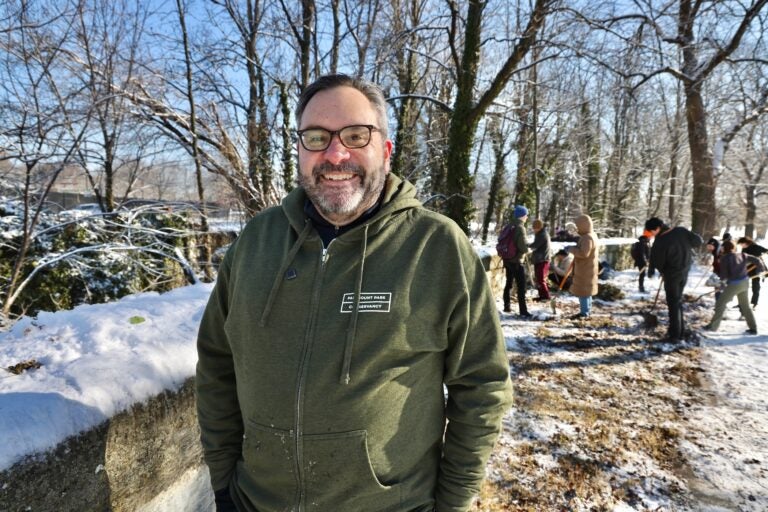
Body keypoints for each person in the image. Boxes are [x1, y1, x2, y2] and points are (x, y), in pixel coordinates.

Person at [196, 74, 513, 512]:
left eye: (355, 135)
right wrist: (225, 482)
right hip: (256, 502)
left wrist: (453, 502)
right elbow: (217, 363)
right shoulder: (256, 242)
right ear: (300, 151)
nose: (335, 153)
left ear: (385, 149)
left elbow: (482, 385)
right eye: (316, 137)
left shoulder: (435, 246)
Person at [645, 217, 703, 341]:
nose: (651, 234)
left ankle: (674, 334)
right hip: (685, 271)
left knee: (673, 303)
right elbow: (698, 242)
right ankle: (680, 330)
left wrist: (660, 271)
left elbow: (657, 261)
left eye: (651, 231)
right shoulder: (681, 231)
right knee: (677, 301)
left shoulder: (660, 241)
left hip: (672, 275)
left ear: (657, 228)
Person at [704, 240, 760, 334]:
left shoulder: (725, 258)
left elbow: (724, 276)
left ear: (723, 248)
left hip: (735, 284)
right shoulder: (741, 254)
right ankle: (753, 328)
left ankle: (713, 327)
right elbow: (757, 260)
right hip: (745, 283)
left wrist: (721, 286)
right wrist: (760, 269)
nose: (720, 249)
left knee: (720, 304)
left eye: (722, 247)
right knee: (745, 306)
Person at [500, 205, 532, 317]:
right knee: (521, 286)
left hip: (507, 259)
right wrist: (528, 249)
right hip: (517, 261)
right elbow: (522, 247)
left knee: (508, 283)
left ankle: (506, 306)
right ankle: (523, 311)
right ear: (522, 216)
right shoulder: (520, 228)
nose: (527, 217)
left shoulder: (508, 226)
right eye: (526, 215)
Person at [567, 214, 599, 318]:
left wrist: (571, 249)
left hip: (585, 269)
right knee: (587, 291)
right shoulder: (591, 235)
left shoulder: (587, 238)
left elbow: (584, 253)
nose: (577, 228)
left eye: (578, 225)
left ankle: (584, 313)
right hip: (588, 268)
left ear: (584, 225)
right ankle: (587, 310)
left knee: (583, 291)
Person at [737, 236, 768, 309]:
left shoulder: (756, 247)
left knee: (755, 286)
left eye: (741, 244)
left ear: (745, 242)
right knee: (742, 286)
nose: (741, 246)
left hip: (757, 269)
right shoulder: (744, 249)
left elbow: (766, 250)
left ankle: (754, 302)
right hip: (747, 269)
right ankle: (742, 302)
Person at [529, 219, 551, 301]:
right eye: (534, 228)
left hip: (543, 259)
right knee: (539, 279)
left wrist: (526, 245)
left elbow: (535, 245)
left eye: (535, 228)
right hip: (539, 259)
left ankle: (546, 296)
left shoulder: (542, 235)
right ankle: (542, 296)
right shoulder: (540, 234)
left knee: (541, 279)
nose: (534, 229)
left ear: (539, 227)